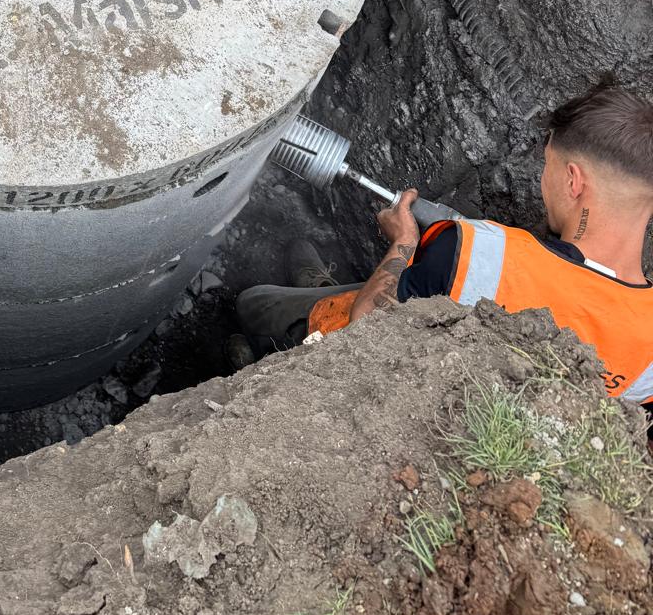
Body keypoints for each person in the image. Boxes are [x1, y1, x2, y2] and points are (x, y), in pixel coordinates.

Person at [234, 79, 653, 405]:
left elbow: (367, 328)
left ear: (573, 180)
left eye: (548, 166)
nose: (543, 183)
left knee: (253, 304)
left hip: (365, 380)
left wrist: (403, 241)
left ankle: (259, 365)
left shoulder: (481, 250)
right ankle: (323, 293)